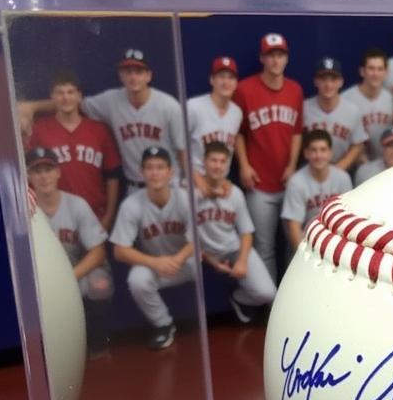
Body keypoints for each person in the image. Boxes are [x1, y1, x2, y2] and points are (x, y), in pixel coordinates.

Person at [26, 146, 114, 351]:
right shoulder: (26, 210)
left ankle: (97, 340)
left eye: (48, 169)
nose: (44, 176)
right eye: (37, 171)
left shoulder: (76, 205)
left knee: (99, 284)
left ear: (58, 172)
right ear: (29, 175)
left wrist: (67, 279)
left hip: (77, 272)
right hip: (44, 280)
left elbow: (98, 252)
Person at [233, 33, 304, 282]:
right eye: (271, 55)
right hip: (259, 182)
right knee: (264, 249)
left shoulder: (295, 90)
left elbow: (296, 132)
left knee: (296, 246)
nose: (276, 60)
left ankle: (291, 299)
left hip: (288, 181)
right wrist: (243, 165)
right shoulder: (244, 89)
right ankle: (270, 305)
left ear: (286, 58)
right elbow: (238, 133)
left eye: (280, 55)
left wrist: (293, 166)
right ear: (262, 58)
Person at [109, 146, 195, 350]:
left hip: (185, 263)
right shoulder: (131, 205)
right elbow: (119, 250)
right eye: (149, 167)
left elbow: (198, 239)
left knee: (203, 258)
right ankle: (163, 324)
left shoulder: (184, 198)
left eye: (160, 167)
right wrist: (156, 263)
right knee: (137, 279)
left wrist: (178, 259)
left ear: (170, 172)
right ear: (141, 172)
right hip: (154, 263)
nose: (155, 172)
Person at [82, 49, 188, 192]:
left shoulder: (169, 106)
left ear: (148, 76)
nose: (133, 77)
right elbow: (73, 104)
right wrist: (40, 106)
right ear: (121, 76)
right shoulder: (110, 101)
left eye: (139, 72)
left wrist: (187, 183)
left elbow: (183, 151)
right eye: (128, 72)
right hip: (135, 187)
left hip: (169, 187)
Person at [26, 71, 121, 228]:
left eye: (70, 92)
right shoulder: (39, 130)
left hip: (95, 215)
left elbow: (112, 176)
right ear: (52, 97)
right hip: (54, 220)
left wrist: (109, 217)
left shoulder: (99, 129)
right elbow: (29, 175)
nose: (65, 98)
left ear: (79, 96)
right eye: (60, 93)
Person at [194, 141, 276, 323]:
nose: (217, 166)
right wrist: (210, 259)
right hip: (200, 253)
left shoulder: (234, 193)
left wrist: (242, 261)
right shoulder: (190, 193)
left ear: (228, 164)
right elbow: (185, 238)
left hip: (231, 250)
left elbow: (246, 231)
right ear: (204, 162)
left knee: (268, 293)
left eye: (222, 161)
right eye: (213, 160)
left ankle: (238, 298)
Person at [281, 129, 353, 252]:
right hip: (307, 240)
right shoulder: (296, 182)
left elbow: (350, 220)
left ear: (330, 153)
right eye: (313, 150)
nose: (318, 155)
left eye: (323, 150)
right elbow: (294, 227)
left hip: (336, 240)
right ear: (306, 153)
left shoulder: (343, 178)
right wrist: (304, 256)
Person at [186, 55, 242, 195]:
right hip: (191, 182)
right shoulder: (193, 107)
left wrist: (221, 181)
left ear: (236, 83)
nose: (226, 82)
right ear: (212, 80)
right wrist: (197, 178)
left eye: (230, 78)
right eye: (221, 77)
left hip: (220, 183)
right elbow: (178, 148)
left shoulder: (237, 113)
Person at [302, 57, 367, 173]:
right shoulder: (304, 108)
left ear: (341, 82)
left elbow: (358, 144)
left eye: (333, 79)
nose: (328, 84)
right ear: (316, 81)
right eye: (323, 79)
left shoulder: (352, 110)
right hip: (310, 171)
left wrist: (340, 167)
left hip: (342, 168)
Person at [342, 48, 393, 160]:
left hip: (383, 163)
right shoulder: (346, 99)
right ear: (362, 71)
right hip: (353, 163)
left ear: (386, 73)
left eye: (380, 69)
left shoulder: (391, 99)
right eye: (371, 68)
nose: (375, 74)